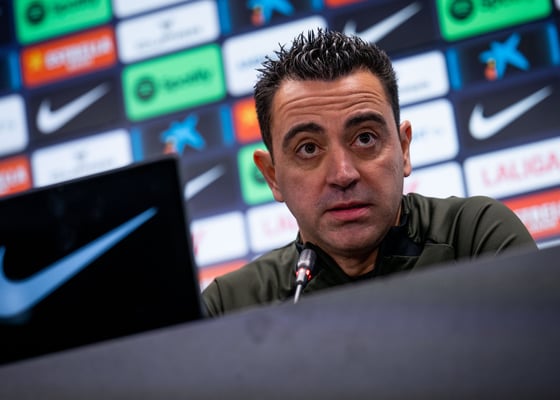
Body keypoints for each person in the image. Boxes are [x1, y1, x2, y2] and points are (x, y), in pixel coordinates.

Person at [201, 29, 537, 317]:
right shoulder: (230, 305)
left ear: (403, 148)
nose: (343, 174)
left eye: (365, 138)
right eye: (308, 148)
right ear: (272, 176)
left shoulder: (474, 238)